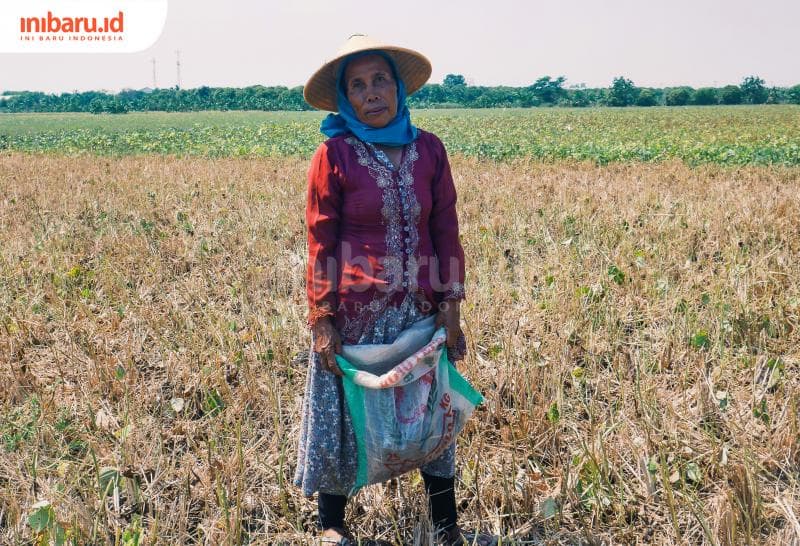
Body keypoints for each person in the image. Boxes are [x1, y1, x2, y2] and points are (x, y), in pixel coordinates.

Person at [295, 34, 495, 546]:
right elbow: (320, 241)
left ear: (398, 88)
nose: (372, 93)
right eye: (358, 85)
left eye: (380, 80)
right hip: (358, 314)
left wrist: (452, 306)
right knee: (346, 415)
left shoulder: (429, 149)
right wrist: (322, 319)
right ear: (346, 99)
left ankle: (445, 526)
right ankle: (332, 526)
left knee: (432, 414)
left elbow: (445, 227)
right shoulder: (334, 155)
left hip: (420, 311)